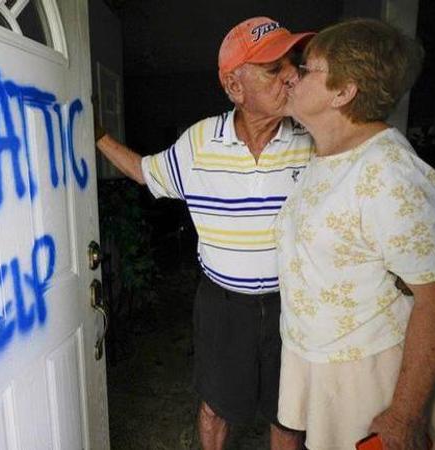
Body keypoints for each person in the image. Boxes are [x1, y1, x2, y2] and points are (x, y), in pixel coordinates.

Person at [95, 17, 314, 450]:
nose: (292, 75)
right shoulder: (198, 144)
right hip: (223, 305)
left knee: (289, 412)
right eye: (274, 69)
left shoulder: (314, 139)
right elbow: (144, 172)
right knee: (216, 405)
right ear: (235, 86)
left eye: (294, 63)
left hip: (296, 303)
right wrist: (96, 134)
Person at [274, 18, 435, 450]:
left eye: (305, 68)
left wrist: (406, 413)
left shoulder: (390, 172)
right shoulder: (329, 156)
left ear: (344, 92)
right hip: (319, 360)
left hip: (368, 373)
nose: (290, 75)